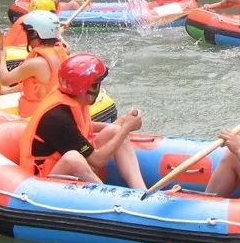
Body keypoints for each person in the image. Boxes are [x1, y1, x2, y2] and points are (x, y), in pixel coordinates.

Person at [19, 54, 146, 187]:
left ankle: (140, 190)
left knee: (115, 130)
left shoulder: (71, 98)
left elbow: (80, 128)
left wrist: (122, 122)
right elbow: (98, 161)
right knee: (73, 159)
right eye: (96, 85)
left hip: (59, 167)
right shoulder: (57, 118)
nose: (99, 88)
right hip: (40, 183)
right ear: (84, 88)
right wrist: (127, 128)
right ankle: (110, 198)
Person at [0, 11, 70, 117]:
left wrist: (1, 58)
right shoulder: (63, 50)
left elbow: (5, 79)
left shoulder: (35, 64)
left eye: (28, 33)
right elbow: (38, 85)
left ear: (34, 34)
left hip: (38, 116)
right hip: (54, 108)